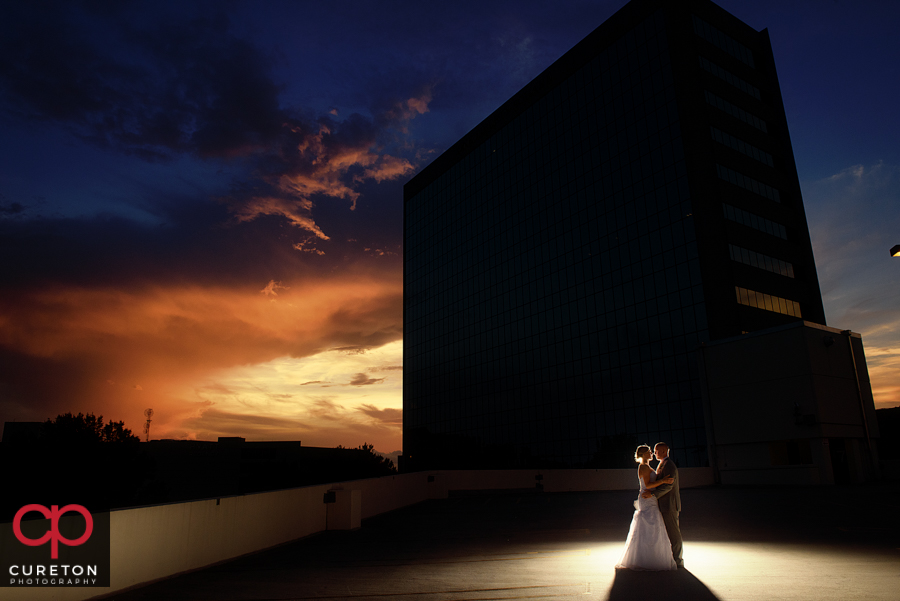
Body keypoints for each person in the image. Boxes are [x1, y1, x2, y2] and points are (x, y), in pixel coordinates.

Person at [615, 445, 677, 571]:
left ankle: (652, 556)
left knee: (653, 526)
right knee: (649, 525)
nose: (652, 454)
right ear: (644, 454)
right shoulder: (643, 467)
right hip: (647, 498)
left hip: (650, 498)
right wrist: (663, 481)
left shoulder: (647, 467)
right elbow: (648, 484)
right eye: (649, 452)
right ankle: (647, 557)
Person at [641, 442, 683, 568]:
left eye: (656, 450)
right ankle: (671, 558)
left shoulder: (669, 465)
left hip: (669, 505)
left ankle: (678, 561)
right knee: (668, 533)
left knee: (674, 533)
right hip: (663, 505)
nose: (654, 453)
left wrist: (653, 495)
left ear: (664, 451)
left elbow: (669, 486)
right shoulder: (662, 464)